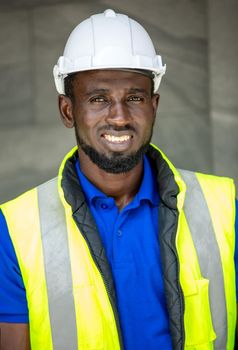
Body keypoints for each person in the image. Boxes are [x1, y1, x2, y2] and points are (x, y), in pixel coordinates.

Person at [0, 8, 237, 350]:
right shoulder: (15, 230)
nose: (120, 117)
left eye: (135, 98)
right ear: (68, 110)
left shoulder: (224, 210)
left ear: (154, 105)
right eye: (98, 99)